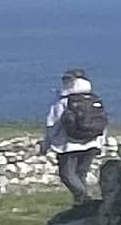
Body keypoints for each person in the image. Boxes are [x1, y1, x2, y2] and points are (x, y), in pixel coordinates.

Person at [45, 69, 113, 203]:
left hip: (68, 145)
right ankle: (81, 203)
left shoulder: (63, 102)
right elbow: (102, 121)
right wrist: (101, 143)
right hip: (92, 142)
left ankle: (84, 198)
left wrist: (47, 144)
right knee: (81, 173)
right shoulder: (94, 100)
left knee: (67, 175)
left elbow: (52, 125)